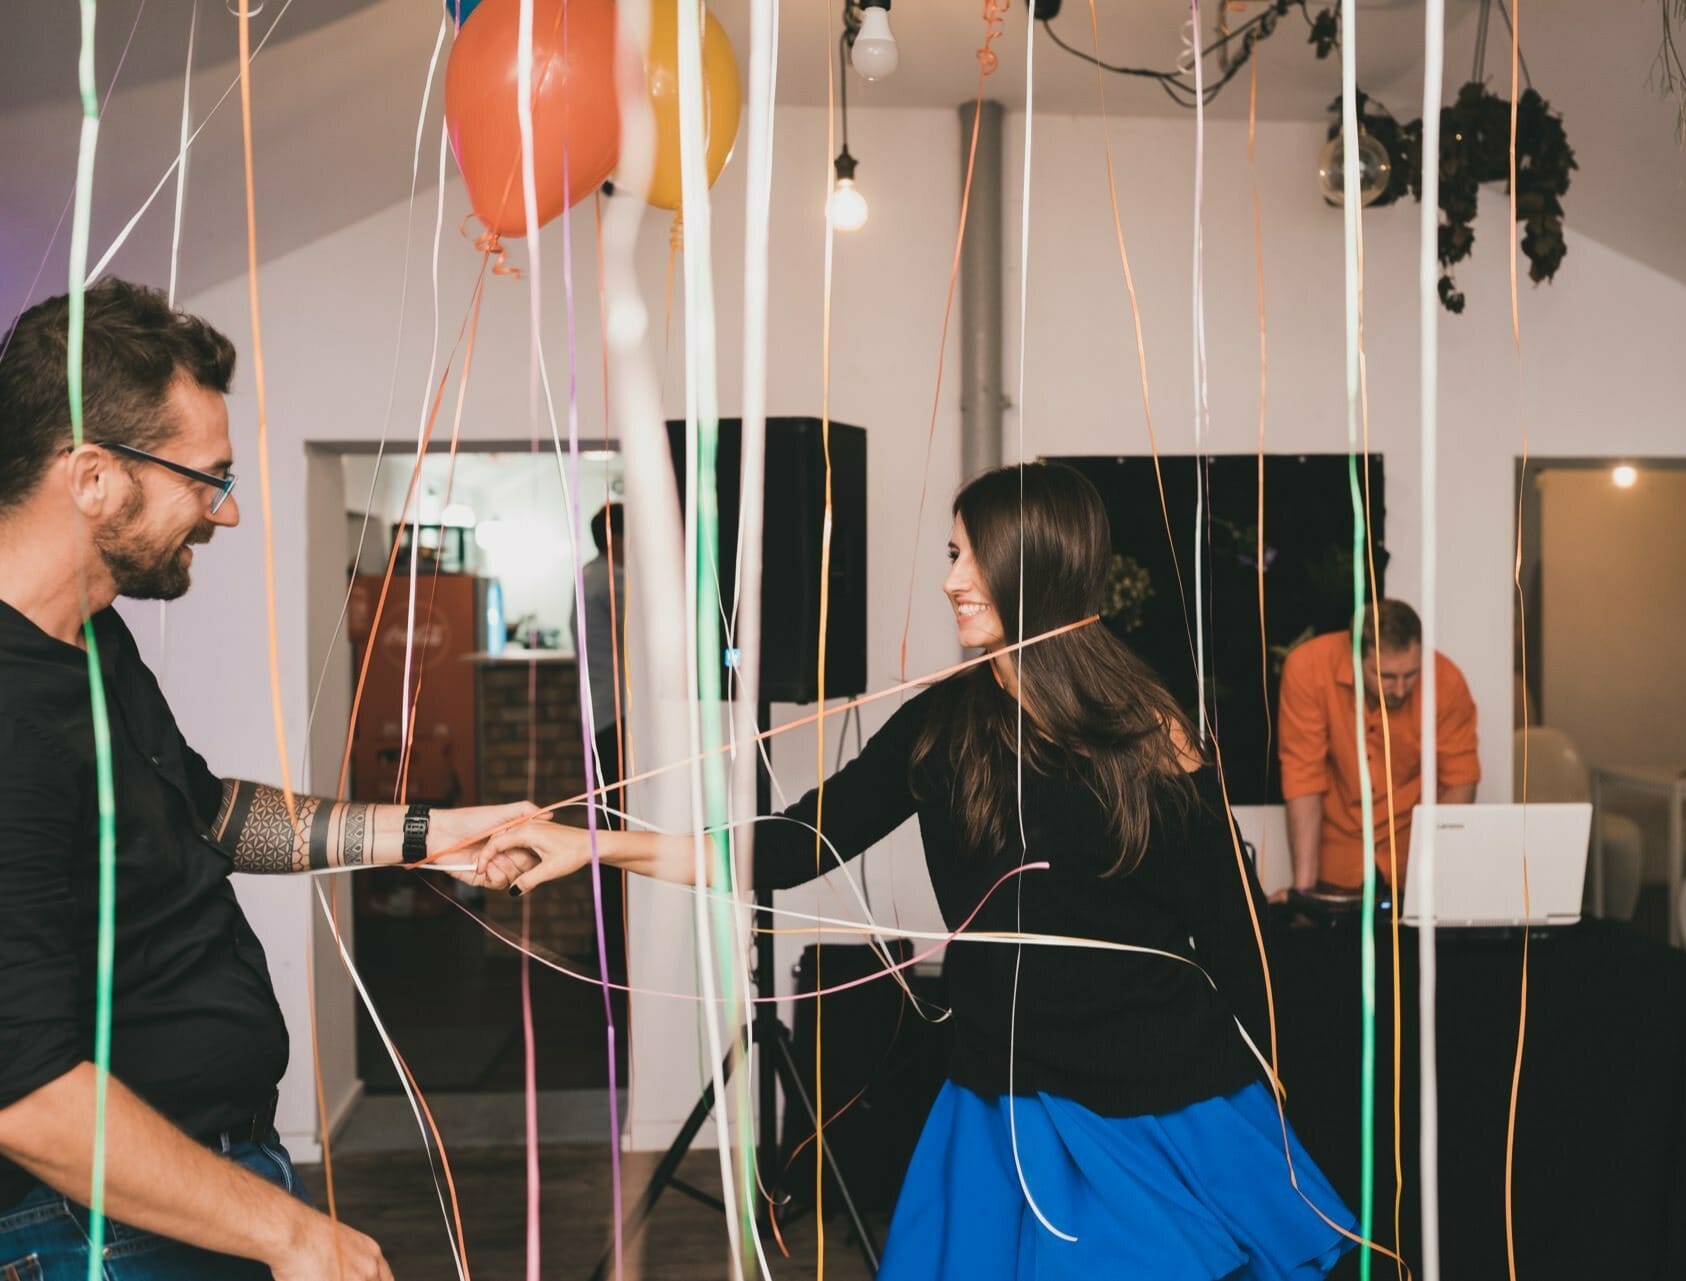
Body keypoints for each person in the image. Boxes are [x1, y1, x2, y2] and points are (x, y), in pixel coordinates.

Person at [479, 463, 1357, 1279]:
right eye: (952, 554)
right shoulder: (941, 727)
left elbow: (1231, 924)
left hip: (1163, 1106)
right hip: (1003, 1107)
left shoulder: (1150, 731)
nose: (952, 580)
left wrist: (1266, 1090)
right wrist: (595, 842)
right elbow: (789, 845)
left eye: (972, 557)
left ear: (1040, 569)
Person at [0, 279, 533, 1281]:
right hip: (89, 1233)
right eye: (205, 477)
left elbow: (204, 814)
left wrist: (430, 833)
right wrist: (291, 1235)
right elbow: (25, 1093)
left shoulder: (89, 634)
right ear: (91, 477)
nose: (228, 510)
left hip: (202, 1185)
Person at [1274, 598, 1479, 903]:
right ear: (1355, 657)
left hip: (1412, 861)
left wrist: (1437, 879)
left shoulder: (1447, 681)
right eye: (1385, 676)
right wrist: (1304, 892)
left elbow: (1460, 780)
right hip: (1337, 862)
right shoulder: (1307, 669)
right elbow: (1303, 777)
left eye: (1410, 675)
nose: (1399, 689)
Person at [569, 500, 628, 826]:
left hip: (598, 708)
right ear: (616, 538)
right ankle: (613, 877)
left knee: (609, 805)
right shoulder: (611, 581)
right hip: (614, 711)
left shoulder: (589, 575)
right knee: (619, 809)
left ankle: (609, 875)